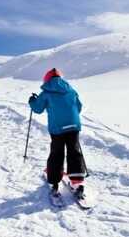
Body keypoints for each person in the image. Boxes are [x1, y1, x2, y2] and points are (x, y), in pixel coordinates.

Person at [28, 68, 86, 197]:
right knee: (74, 151)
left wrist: (32, 101)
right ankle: (77, 181)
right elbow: (79, 107)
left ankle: (54, 182)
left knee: (57, 152)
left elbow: (37, 108)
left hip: (57, 128)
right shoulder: (71, 90)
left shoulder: (46, 92)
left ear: (47, 79)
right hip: (74, 126)